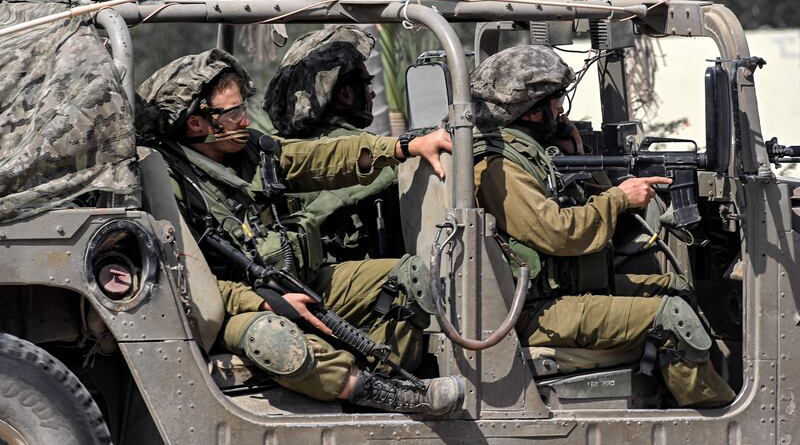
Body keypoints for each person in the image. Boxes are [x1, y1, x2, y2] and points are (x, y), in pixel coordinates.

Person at [135, 48, 464, 415]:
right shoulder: (169, 185)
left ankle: (386, 385)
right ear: (196, 123)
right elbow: (191, 283)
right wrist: (265, 302)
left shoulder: (250, 152)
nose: (244, 120)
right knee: (273, 340)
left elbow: (321, 158)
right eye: (232, 113)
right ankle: (368, 389)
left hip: (300, 281)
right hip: (239, 307)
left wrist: (403, 146)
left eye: (243, 107)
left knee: (407, 278)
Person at [468, 45, 735, 408]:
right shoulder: (499, 166)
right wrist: (621, 199)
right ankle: (719, 417)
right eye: (555, 102)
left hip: (564, 288)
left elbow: (582, 201)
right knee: (672, 318)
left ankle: (678, 398)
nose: (561, 111)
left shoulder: (530, 154)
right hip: (537, 309)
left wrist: (580, 158)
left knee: (677, 288)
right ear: (530, 112)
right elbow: (559, 232)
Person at [263, 25, 404, 261]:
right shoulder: (362, 149)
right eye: (367, 84)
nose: (372, 94)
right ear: (345, 94)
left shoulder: (274, 148)